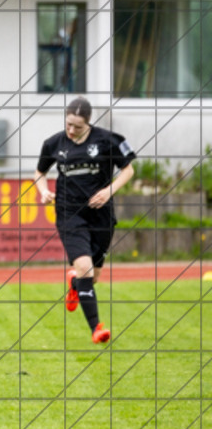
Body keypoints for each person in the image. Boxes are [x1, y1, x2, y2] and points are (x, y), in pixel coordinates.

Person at [34, 96, 135, 344]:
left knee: (93, 277)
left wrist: (108, 191)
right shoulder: (54, 143)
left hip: (101, 215)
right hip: (69, 214)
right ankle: (96, 329)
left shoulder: (108, 140)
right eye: (68, 124)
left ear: (88, 123)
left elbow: (129, 170)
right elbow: (40, 172)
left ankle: (74, 283)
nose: (71, 130)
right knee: (85, 270)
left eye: (77, 127)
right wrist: (43, 191)